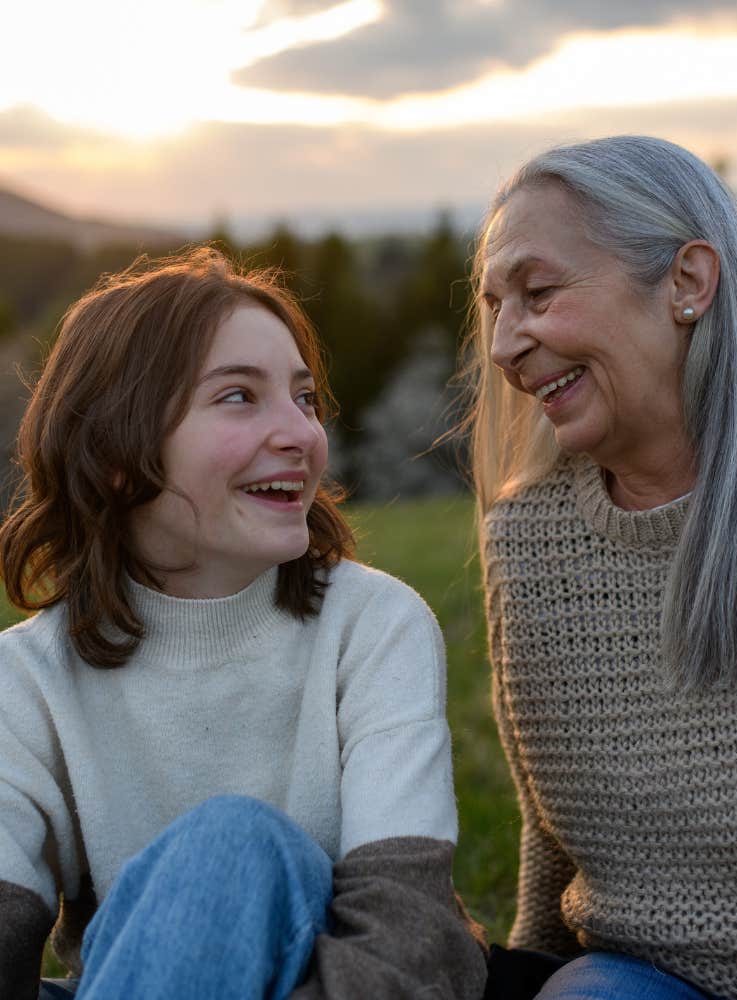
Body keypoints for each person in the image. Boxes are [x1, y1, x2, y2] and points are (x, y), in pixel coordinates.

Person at [0, 247, 487, 1000]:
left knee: (233, 842)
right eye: (239, 397)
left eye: (304, 398)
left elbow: (414, 950)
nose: (300, 434)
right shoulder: (24, 683)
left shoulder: (373, 628)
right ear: (117, 453)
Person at [465, 136, 737, 999]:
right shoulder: (528, 538)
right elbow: (552, 839)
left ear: (686, 283)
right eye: (493, 306)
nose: (502, 344)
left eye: (537, 293)